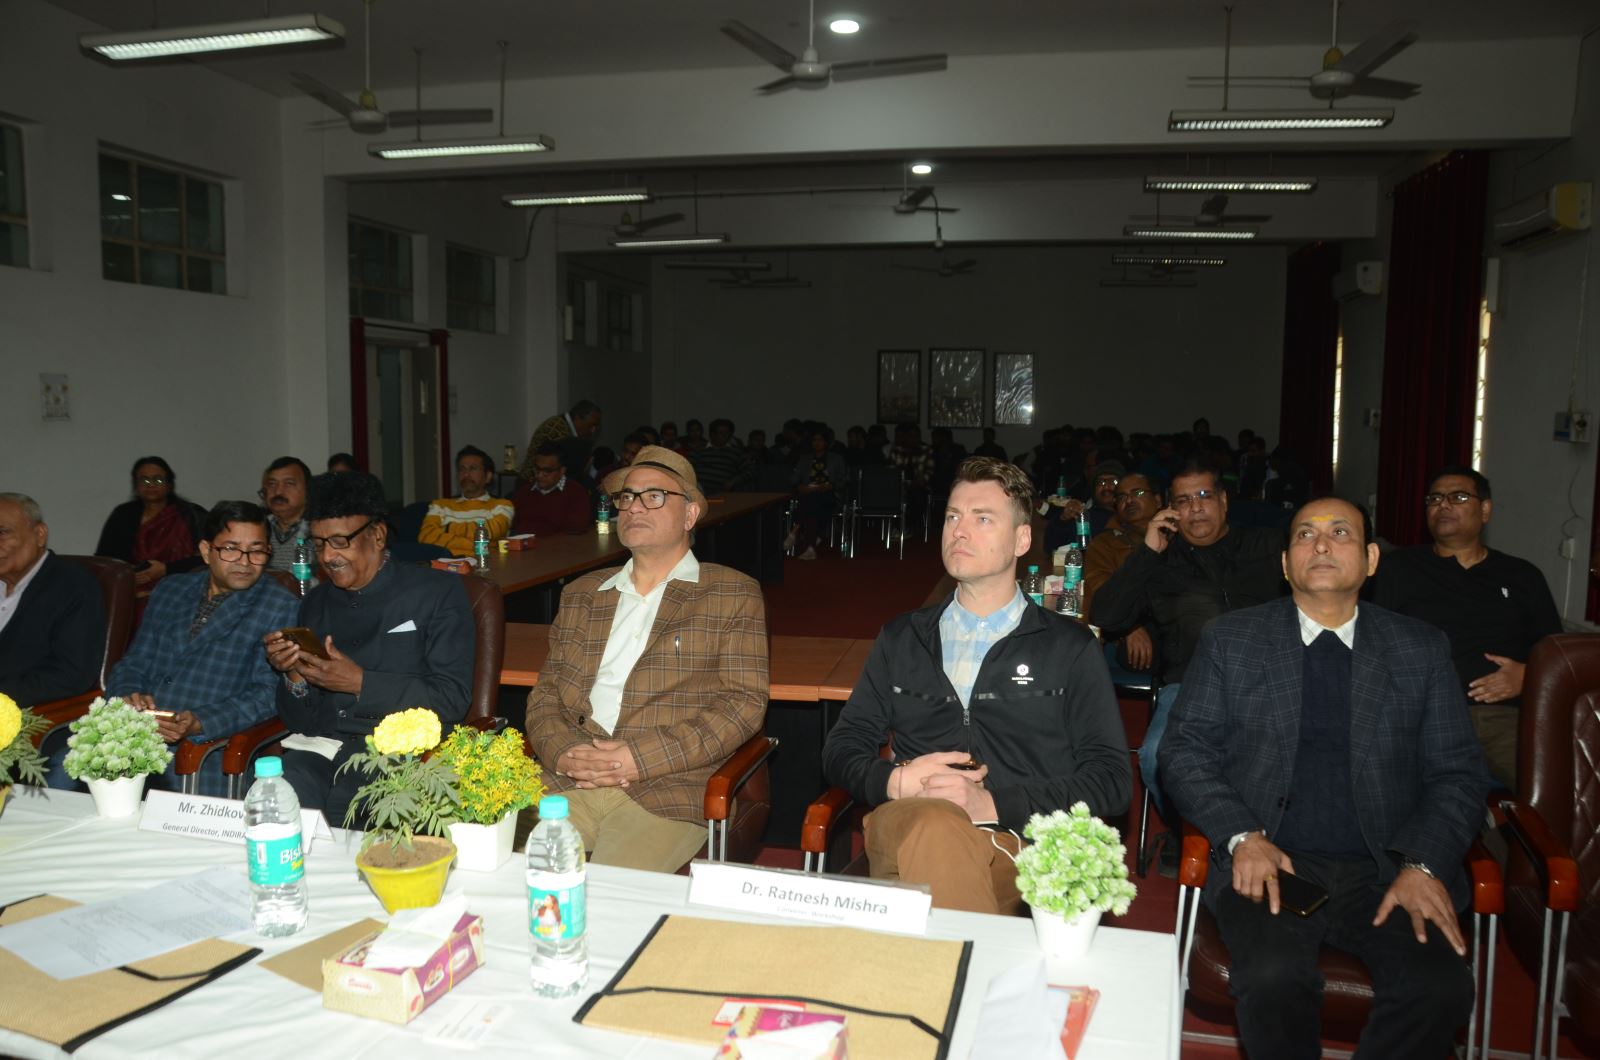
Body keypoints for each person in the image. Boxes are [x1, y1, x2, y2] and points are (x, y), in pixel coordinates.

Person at [1160, 497, 1486, 1059]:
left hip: (1387, 869)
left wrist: (1423, 865)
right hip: (1274, 863)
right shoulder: (1233, 640)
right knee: (1273, 978)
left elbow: (1458, 773)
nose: (1321, 544)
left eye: (1340, 533)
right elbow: (1185, 752)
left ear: (1372, 560)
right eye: (1305, 535)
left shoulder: (1420, 649)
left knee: (1439, 989)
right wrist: (1243, 836)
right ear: (1286, 564)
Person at [822, 457, 1130, 914]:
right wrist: (895, 781)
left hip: (1021, 846)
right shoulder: (903, 638)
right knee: (937, 826)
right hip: (908, 823)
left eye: (982, 519)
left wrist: (991, 803)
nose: (959, 531)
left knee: (948, 855)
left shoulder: (1068, 647)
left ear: (1021, 540)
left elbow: (1111, 780)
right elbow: (841, 747)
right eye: (952, 517)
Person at [524, 446, 768, 872]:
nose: (634, 507)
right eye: (627, 497)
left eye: (654, 496)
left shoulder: (731, 593)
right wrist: (564, 754)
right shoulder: (582, 594)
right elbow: (546, 695)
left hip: (665, 787)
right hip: (568, 780)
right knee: (489, 867)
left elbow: (742, 705)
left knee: (609, 895)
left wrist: (638, 758)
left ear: (690, 515)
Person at [1092, 460, 1284, 872]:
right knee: (1155, 757)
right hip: (1190, 686)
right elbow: (1106, 615)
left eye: (1203, 496)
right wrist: (1147, 551)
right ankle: (1191, 833)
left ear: (1224, 500)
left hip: (1268, 682)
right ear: (1171, 510)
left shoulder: (1266, 547)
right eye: (1183, 500)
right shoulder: (1162, 562)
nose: (1195, 508)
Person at [264, 472, 473, 825]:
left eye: (339, 541)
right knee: (274, 802)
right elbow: (300, 722)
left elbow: (453, 698)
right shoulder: (315, 603)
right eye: (318, 544)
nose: (328, 556)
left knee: (348, 815)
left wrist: (361, 683)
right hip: (323, 750)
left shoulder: (437, 593)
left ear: (377, 535)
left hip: (402, 755)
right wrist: (294, 676)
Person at [1371, 466, 1562, 790]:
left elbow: (1558, 656)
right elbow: (1368, 642)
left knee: (1555, 792)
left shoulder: (1522, 576)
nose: (1443, 505)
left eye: (1458, 497)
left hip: (1499, 717)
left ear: (1485, 510)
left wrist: (1529, 676)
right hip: (1420, 715)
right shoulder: (1397, 569)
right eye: (1434, 499)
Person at [96, 501, 298, 796]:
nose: (244, 562)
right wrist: (129, 697)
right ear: (206, 550)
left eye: (256, 551)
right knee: (69, 778)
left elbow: (268, 694)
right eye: (231, 549)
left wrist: (200, 722)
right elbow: (134, 662)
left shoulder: (280, 607)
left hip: (207, 752)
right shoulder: (170, 590)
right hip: (134, 737)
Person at [0, 493, 105, 707]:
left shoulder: (73, 586)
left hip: (26, 712)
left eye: (2, 532)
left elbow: (71, 675)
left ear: (39, 535)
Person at [1081, 473, 1163, 673]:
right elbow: (1100, 587)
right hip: (1137, 623)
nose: (1129, 501)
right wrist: (1130, 627)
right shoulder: (1105, 543)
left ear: (1158, 500)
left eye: (1138, 493)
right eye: (1122, 497)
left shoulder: (1180, 534)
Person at [95, 456, 207, 591]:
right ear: (136, 485)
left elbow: (209, 556)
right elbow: (104, 558)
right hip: (129, 590)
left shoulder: (191, 514)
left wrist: (166, 569)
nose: (151, 485)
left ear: (169, 485)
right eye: (144, 480)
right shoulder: (123, 514)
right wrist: (127, 574)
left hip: (179, 589)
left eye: (158, 480)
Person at [418, 445, 515, 556]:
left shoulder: (502, 506)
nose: (466, 474)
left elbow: (491, 531)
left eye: (473, 468)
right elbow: (425, 537)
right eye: (462, 469)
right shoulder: (439, 505)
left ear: (488, 476)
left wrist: (448, 528)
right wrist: (479, 546)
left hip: (484, 565)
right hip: (445, 564)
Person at [790, 428, 849, 560]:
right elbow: (794, 478)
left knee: (813, 500)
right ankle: (811, 548)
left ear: (826, 442)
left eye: (820, 440)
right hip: (810, 493)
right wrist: (799, 486)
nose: (817, 443)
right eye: (814, 440)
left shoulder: (836, 458)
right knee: (813, 503)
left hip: (829, 494)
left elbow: (844, 479)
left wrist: (831, 486)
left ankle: (794, 531)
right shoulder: (805, 458)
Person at [510, 443, 592, 536]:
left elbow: (576, 531)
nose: (540, 475)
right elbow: (510, 526)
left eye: (547, 471)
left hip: (559, 544)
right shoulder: (523, 492)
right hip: (520, 542)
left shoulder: (576, 493)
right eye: (537, 469)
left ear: (562, 471)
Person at [520, 399, 602, 482]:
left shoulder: (560, 424)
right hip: (533, 483)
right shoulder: (559, 431)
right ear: (577, 418)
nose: (593, 430)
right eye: (591, 425)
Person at [258, 457, 312, 572]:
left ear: (307, 490)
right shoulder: (258, 528)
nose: (278, 491)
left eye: (289, 483)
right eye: (272, 484)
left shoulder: (318, 531)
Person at [689, 418, 749, 496]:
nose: (725, 436)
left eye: (727, 433)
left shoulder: (736, 452)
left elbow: (749, 470)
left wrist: (733, 481)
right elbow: (687, 469)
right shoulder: (698, 450)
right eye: (722, 433)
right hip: (699, 492)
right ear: (712, 434)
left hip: (724, 492)